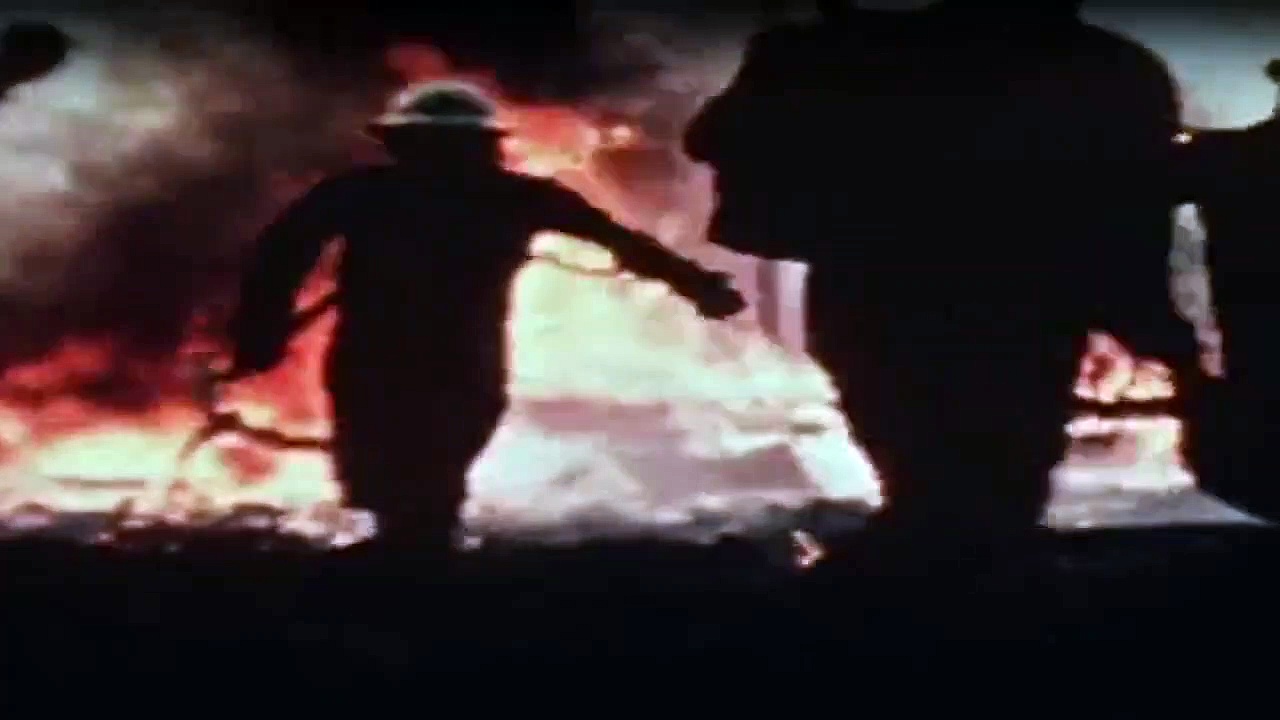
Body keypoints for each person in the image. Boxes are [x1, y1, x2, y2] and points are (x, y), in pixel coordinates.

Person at [685, 3, 1196, 560]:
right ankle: (972, 548)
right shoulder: (1106, 66)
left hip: (883, 269)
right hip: (1015, 286)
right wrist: (1150, 320)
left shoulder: (840, 55)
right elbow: (1132, 206)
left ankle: (941, 545)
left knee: (921, 421)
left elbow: (710, 138)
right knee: (988, 434)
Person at [228, 81, 745, 553]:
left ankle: (409, 557)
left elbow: (282, 254)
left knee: (406, 468)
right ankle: (417, 554)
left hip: (397, 356)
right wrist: (697, 286)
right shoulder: (510, 197)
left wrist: (261, 325)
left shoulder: (365, 192)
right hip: (441, 357)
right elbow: (623, 243)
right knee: (412, 469)